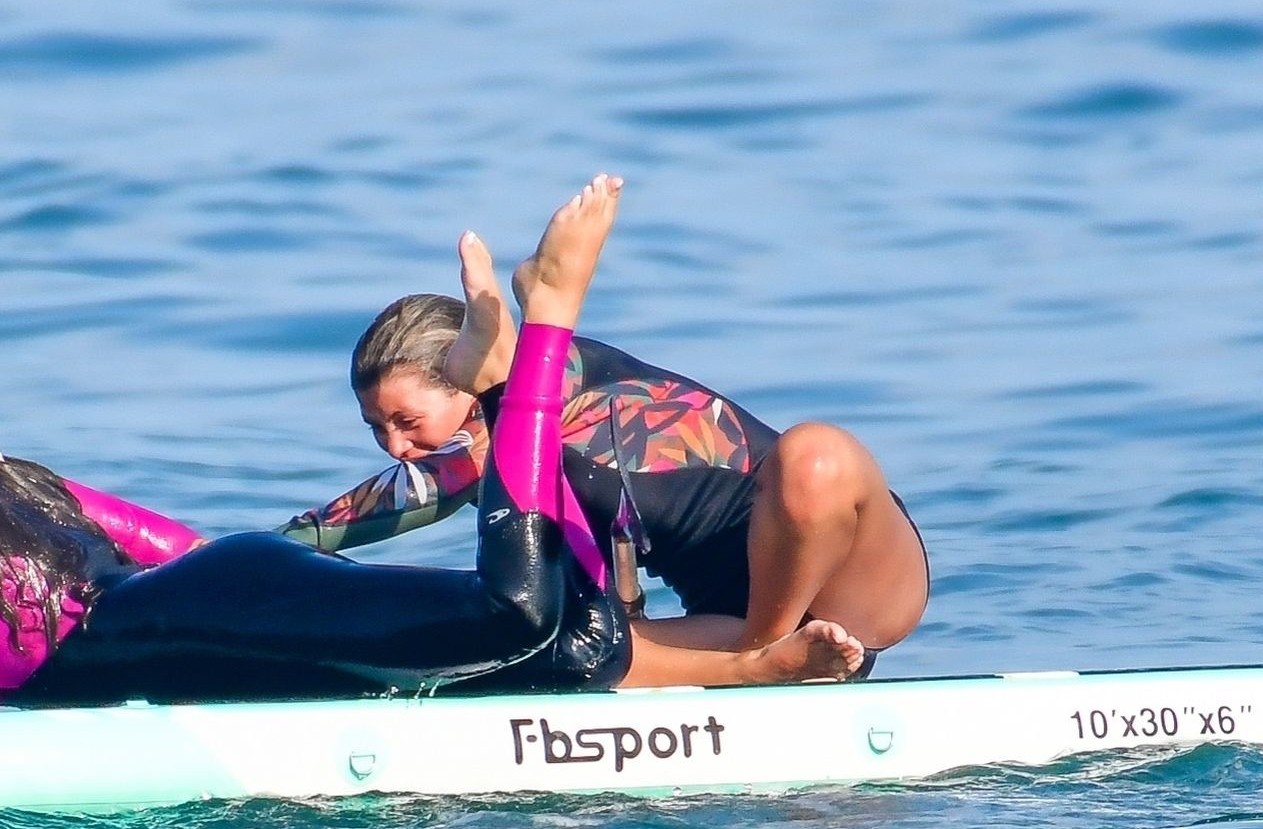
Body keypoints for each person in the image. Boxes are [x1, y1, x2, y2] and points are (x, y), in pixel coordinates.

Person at [0, 175, 663, 712]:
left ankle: (539, 332)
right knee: (549, 642)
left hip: (208, 616)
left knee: (515, 617)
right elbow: (174, 546)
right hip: (221, 592)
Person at [279, 207, 924, 687]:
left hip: (851, 580)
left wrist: (275, 555)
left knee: (814, 457)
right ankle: (763, 661)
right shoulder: (497, 450)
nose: (396, 446)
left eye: (406, 420)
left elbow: (423, 488)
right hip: (726, 621)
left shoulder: (550, 406)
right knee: (564, 646)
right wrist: (270, 552)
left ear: (462, 382)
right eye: (376, 428)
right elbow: (404, 495)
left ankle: (765, 660)